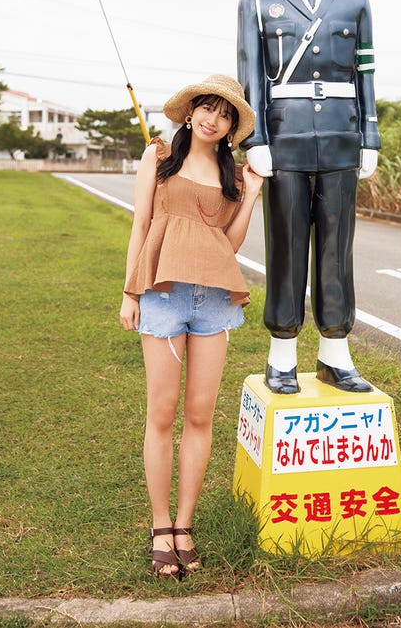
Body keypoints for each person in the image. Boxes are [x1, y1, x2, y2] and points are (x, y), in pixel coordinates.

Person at [119, 74, 262, 578]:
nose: (212, 119)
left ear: (230, 127)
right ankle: (160, 527)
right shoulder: (158, 157)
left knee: (200, 416)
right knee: (162, 412)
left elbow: (231, 242)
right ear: (189, 112)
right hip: (161, 294)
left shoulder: (234, 175)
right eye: (206, 108)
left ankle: (184, 525)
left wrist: (252, 195)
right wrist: (129, 291)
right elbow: (140, 224)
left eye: (224, 115)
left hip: (214, 299)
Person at [237, 0, 380, 395]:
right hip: (285, 138)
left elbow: (365, 74)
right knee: (287, 246)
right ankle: (281, 354)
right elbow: (251, 76)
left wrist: (370, 136)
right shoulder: (256, 1)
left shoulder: (354, 0)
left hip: (341, 137)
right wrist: (254, 138)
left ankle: (335, 353)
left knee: (338, 249)